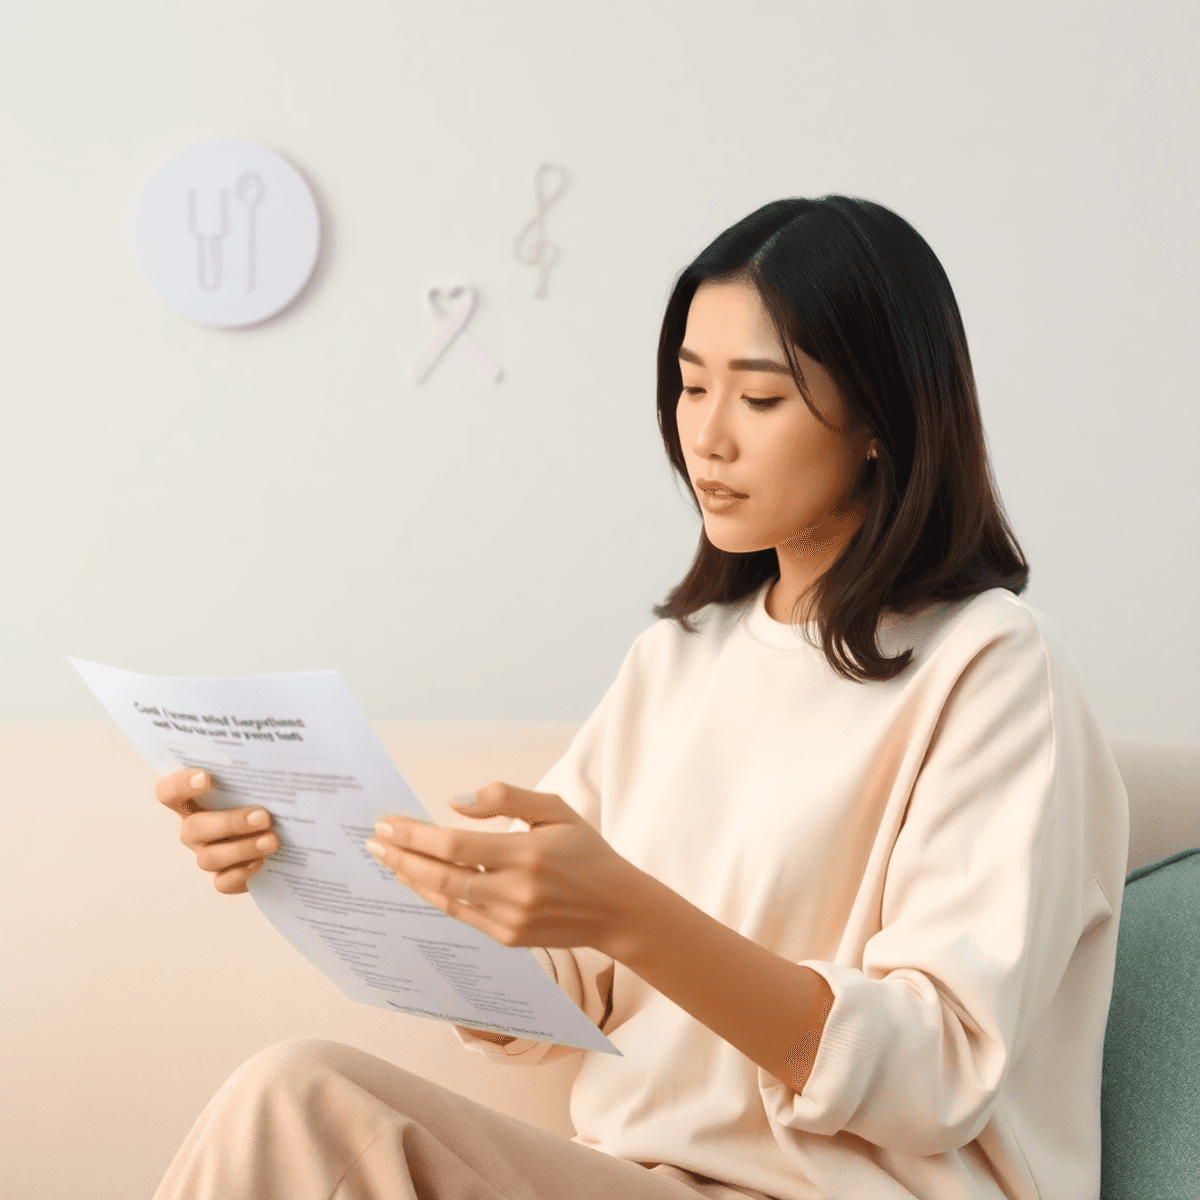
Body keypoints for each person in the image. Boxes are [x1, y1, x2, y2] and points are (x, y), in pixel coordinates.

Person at [150, 195, 1129, 1200]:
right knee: (295, 1102)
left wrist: (634, 918)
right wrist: (304, 854)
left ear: (883, 417)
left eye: (759, 400)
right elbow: (559, 982)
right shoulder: (681, 658)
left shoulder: (995, 667)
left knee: (293, 1099)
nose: (706, 438)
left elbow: (940, 1072)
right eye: (688, 386)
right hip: (635, 1180)